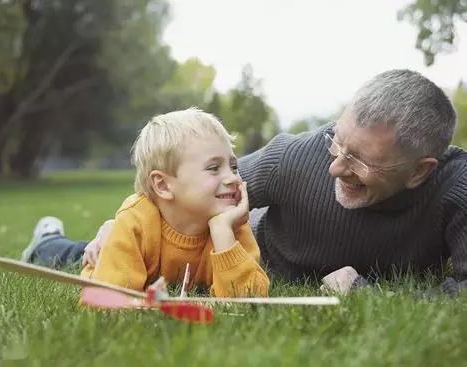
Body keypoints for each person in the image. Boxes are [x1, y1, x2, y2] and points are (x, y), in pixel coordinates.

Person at [24, 69, 467, 296]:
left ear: (419, 171)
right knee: (103, 253)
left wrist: (366, 294)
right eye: (338, 143)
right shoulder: (294, 157)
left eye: (360, 160)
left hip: (236, 273)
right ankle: (49, 243)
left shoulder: (455, 190)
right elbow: (188, 191)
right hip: (222, 251)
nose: (336, 166)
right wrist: (115, 224)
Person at [21, 108, 269, 297]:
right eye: (214, 168)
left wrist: (224, 233)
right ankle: (46, 240)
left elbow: (249, 299)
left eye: (233, 166)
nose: (233, 177)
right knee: (71, 257)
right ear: (163, 185)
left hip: (141, 261)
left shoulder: (231, 223)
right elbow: (104, 299)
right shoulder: (136, 222)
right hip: (105, 258)